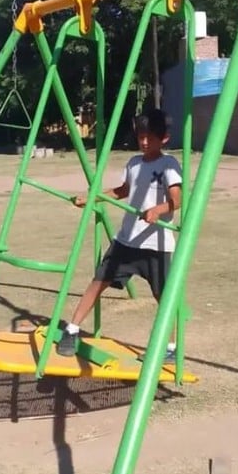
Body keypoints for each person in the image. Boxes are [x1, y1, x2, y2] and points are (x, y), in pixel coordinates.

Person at [57, 109, 183, 363]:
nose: (144, 142)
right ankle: (71, 330)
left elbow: (177, 200)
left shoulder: (169, 164)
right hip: (126, 240)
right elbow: (122, 190)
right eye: (141, 136)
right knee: (98, 282)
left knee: (163, 296)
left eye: (150, 137)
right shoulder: (134, 163)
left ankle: (170, 347)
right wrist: (92, 197)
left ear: (164, 138)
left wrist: (157, 210)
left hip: (156, 245)